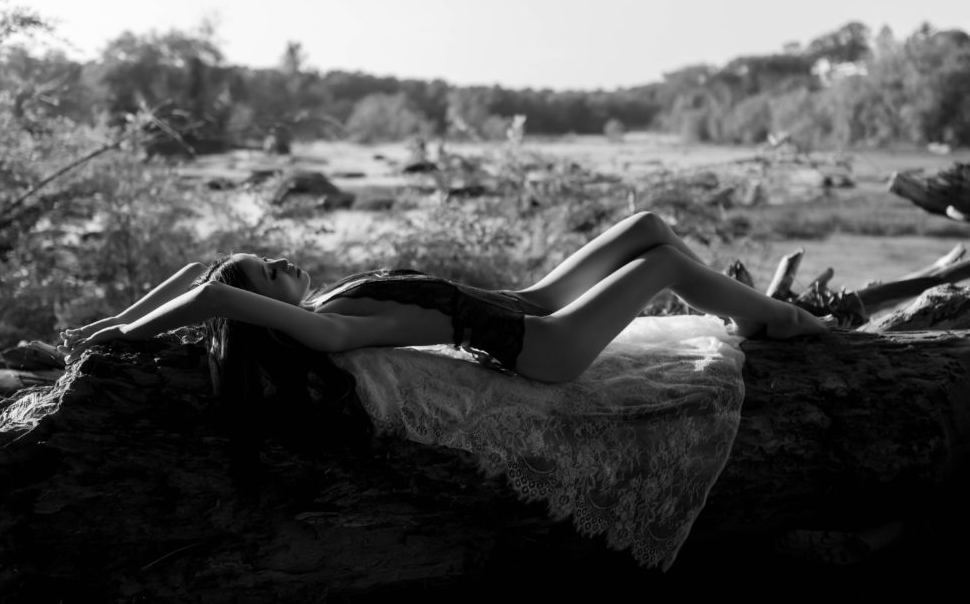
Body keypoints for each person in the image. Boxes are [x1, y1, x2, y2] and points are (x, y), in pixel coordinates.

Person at [60, 211, 830, 384]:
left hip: (525, 299)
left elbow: (203, 270)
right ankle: (784, 322)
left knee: (649, 227)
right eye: (269, 267)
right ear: (268, 308)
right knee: (661, 261)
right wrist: (125, 335)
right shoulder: (327, 326)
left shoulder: (330, 295)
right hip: (542, 347)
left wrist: (114, 317)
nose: (283, 257)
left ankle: (754, 311)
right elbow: (212, 294)